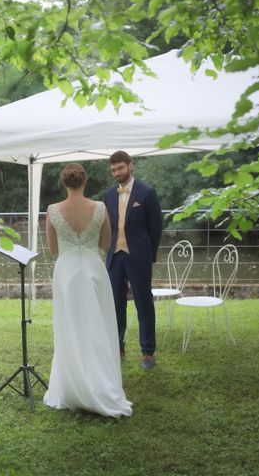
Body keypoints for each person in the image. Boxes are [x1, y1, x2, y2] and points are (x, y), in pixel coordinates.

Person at [43, 163, 132, 417]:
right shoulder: (101, 208)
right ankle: (101, 383)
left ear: (63, 183)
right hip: (94, 270)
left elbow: (53, 249)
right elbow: (105, 243)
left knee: (70, 328)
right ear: (85, 182)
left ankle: (73, 384)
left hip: (67, 273)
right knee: (97, 326)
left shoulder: (52, 211)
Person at [103, 150, 162, 369]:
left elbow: (155, 228)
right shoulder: (108, 195)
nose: (116, 173)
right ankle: (117, 346)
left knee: (143, 304)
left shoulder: (147, 193)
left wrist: (148, 256)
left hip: (138, 258)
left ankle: (148, 352)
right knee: (115, 305)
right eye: (113, 170)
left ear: (130, 165)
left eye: (120, 168)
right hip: (114, 257)